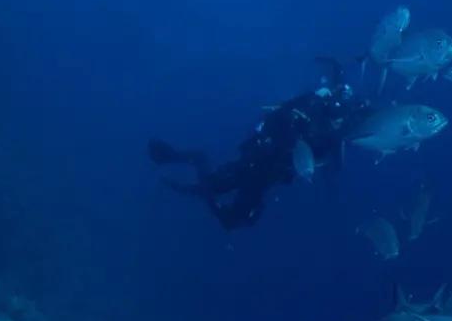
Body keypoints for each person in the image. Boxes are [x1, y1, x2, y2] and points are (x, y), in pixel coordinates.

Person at [150, 58, 369, 230]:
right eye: (337, 114)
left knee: (223, 198)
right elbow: (279, 116)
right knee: (227, 213)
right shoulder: (306, 111)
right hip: (257, 161)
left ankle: (187, 181)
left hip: (266, 175)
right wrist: (309, 99)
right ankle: (192, 161)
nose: (337, 121)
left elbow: (331, 164)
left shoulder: (330, 135)